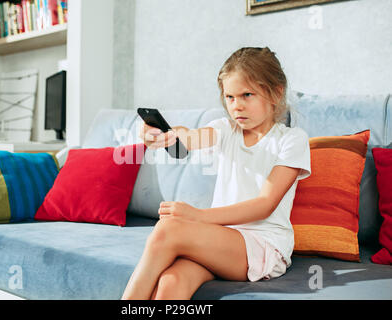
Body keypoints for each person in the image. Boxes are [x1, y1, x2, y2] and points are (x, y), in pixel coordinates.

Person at [121, 47, 311, 300]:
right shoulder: (224, 130)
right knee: (171, 282)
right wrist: (165, 136)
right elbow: (189, 137)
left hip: (261, 245)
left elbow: (264, 205)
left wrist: (197, 216)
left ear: (276, 93)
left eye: (247, 95)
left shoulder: (291, 140)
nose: (237, 106)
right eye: (230, 97)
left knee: (169, 229)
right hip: (218, 241)